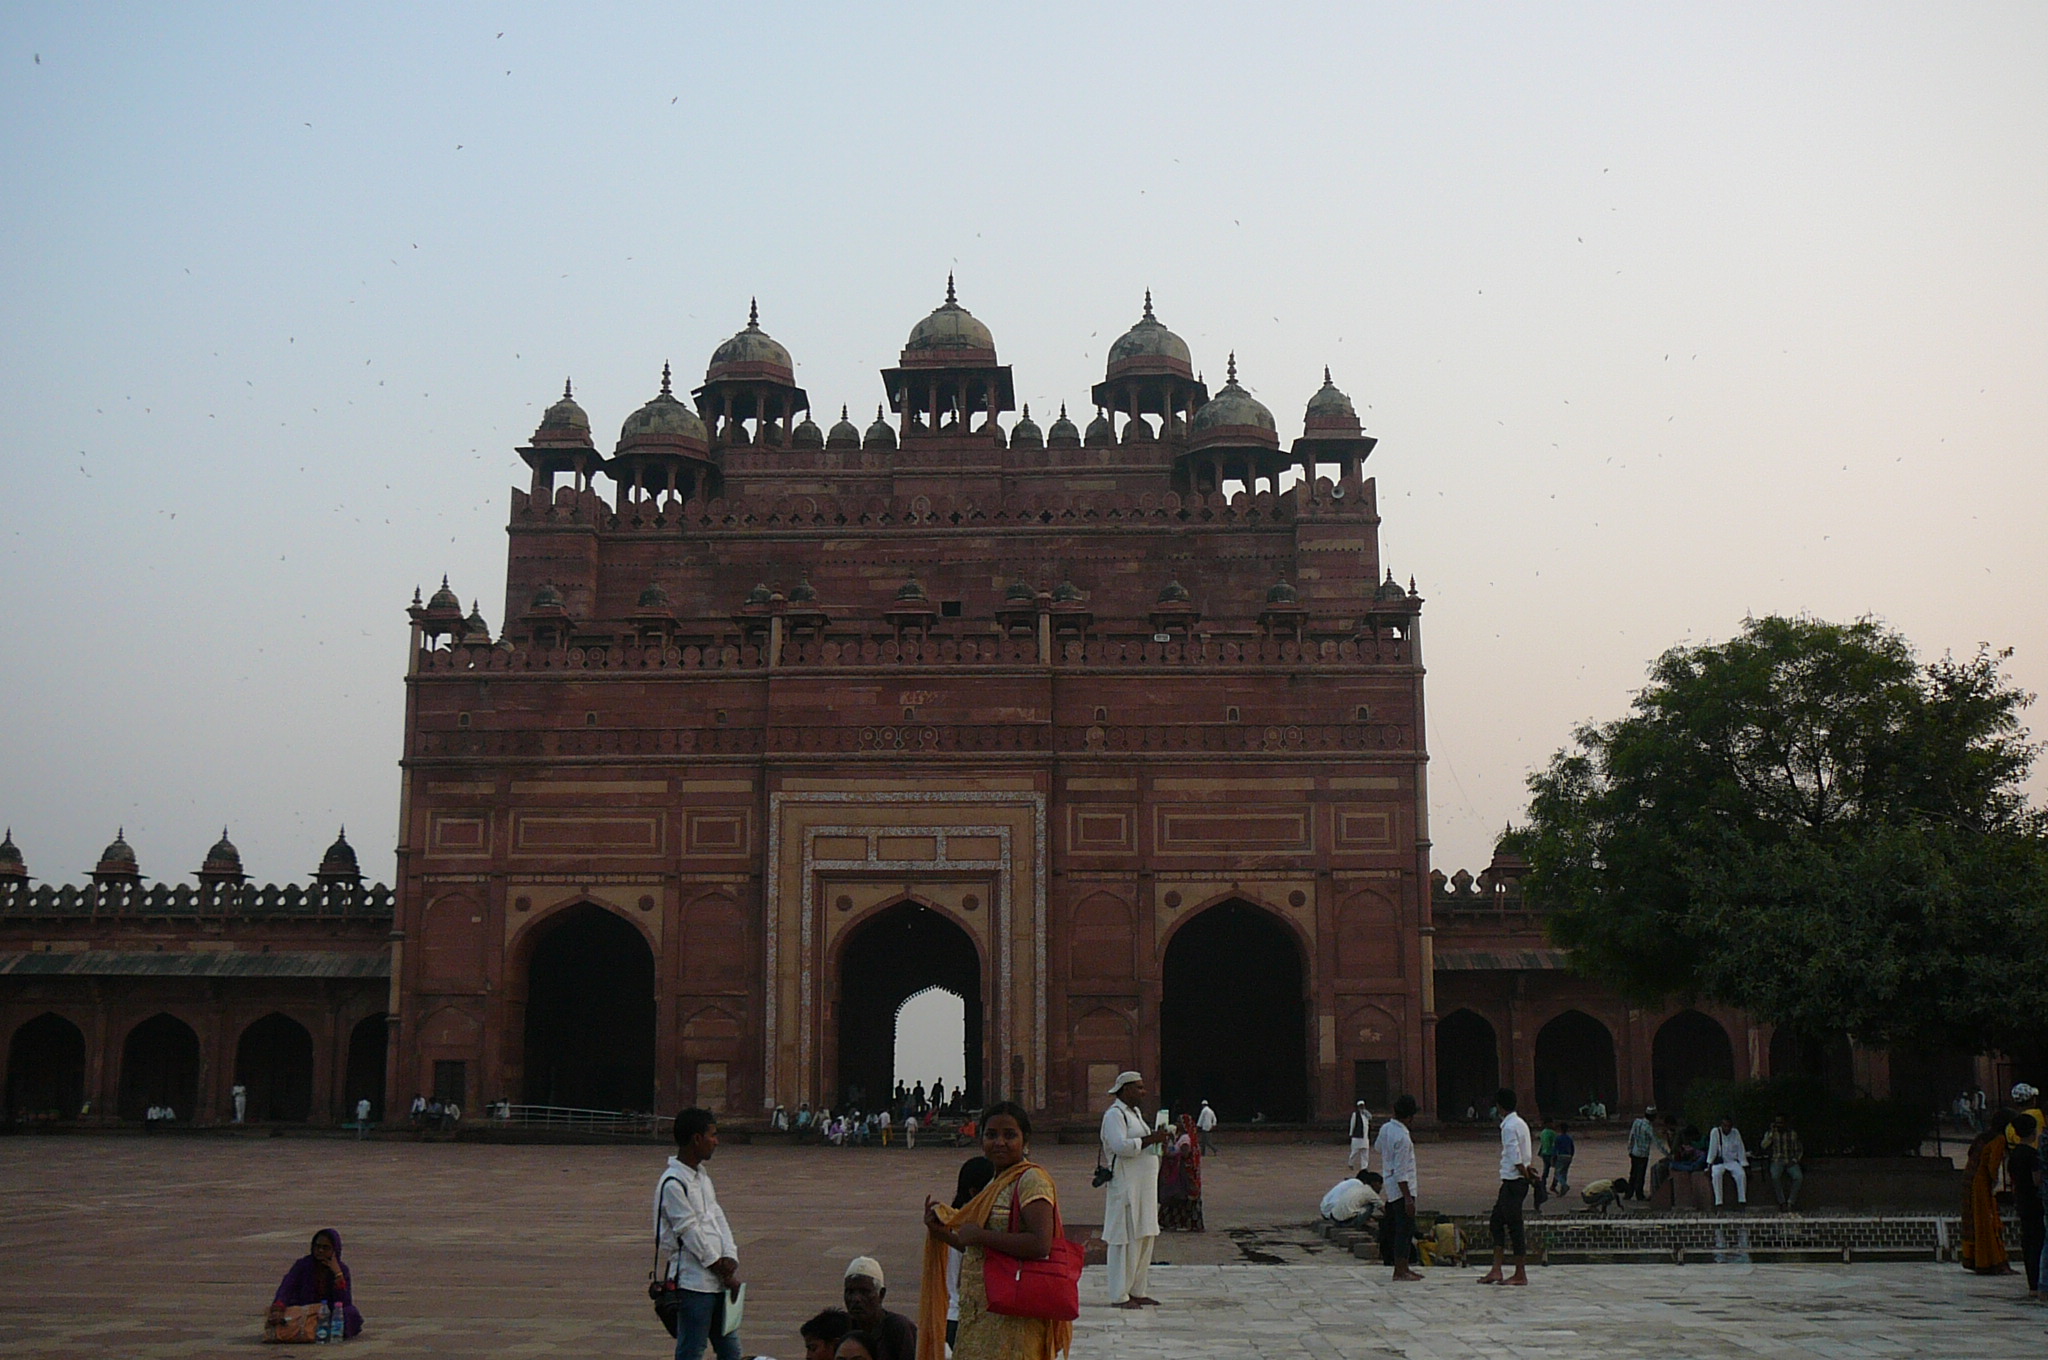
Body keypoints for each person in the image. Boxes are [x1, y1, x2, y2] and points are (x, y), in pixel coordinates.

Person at [918, 1101, 1070, 1360]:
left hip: (1014, 1315)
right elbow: (981, 1251)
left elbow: (1040, 1244)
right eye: (991, 1135)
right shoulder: (993, 1182)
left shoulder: (1032, 1180)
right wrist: (943, 1234)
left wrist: (980, 1234)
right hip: (982, 1312)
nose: (999, 1142)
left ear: (1025, 1140)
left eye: (1009, 1135)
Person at [655, 1107, 743, 1360]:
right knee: (692, 1349)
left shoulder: (701, 1178)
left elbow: (718, 1219)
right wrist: (720, 1267)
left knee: (730, 1349)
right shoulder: (673, 1183)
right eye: (712, 1135)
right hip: (692, 1282)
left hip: (716, 1281)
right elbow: (689, 1232)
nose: (716, 1141)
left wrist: (730, 1255)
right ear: (696, 1139)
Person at [1097, 1071, 1170, 1307]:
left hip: (1145, 1188)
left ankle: (1137, 1290)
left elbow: (1143, 1145)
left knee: (1145, 1235)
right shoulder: (1114, 1115)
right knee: (1124, 1238)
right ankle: (1119, 1295)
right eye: (1138, 1088)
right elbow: (1120, 1146)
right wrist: (1150, 1139)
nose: (1143, 1092)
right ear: (1125, 1090)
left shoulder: (1135, 1114)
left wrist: (1160, 1140)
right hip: (1126, 1186)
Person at [1477, 1087, 1536, 1286]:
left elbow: (1515, 1155)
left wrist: (1525, 1174)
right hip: (1515, 1180)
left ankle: (1520, 1273)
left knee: (1514, 1226)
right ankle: (1497, 1269)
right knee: (1496, 1221)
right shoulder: (1520, 1123)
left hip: (1514, 1180)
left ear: (1500, 1106)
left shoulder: (1509, 1126)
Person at [268, 1227, 363, 1339]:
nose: (320, 1251)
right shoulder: (303, 1265)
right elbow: (287, 1287)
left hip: (327, 1312)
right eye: (317, 1246)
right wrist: (278, 1308)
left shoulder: (342, 1269)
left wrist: (338, 1276)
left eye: (326, 1248)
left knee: (350, 1313)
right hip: (305, 1311)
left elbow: (344, 1302)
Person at [943, 1155, 996, 1348]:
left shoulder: (959, 1220)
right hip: (964, 1316)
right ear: (975, 1192)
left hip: (957, 1315)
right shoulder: (968, 1225)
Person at [1372, 1094, 1423, 1282]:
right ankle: (1400, 1270)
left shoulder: (1386, 1128)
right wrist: (1408, 1199)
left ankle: (1403, 1267)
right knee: (1405, 1230)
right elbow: (1402, 1173)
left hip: (1390, 1184)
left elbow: (1377, 1147)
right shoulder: (1403, 1138)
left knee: (1398, 1228)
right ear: (1409, 1117)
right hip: (1403, 1189)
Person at [1961, 1111, 2015, 1274]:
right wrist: (1994, 1185)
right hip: (1982, 1184)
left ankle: (1974, 1258)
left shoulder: (1982, 1137)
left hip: (1969, 1180)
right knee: (1986, 1222)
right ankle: (1990, 1262)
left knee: (1974, 1221)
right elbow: (1993, 1167)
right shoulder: (1998, 1140)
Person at [842, 1256, 916, 1360]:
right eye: (850, 1292)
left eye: (864, 1292)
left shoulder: (897, 1328)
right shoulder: (843, 1326)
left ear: (881, 1294)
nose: (856, 1299)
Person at [2009, 1114, 2044, 1295]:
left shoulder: (2014, 1154)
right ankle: (2039, 1280)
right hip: (2035, 1202)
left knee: (2028, 1241)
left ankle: (2032, 1282)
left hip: (2021, 1200)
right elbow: (2037, 1180)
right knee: (2038, 1242)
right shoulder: (2032, 1155)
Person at [1158, 1114, 1204, 1232]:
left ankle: (1180, 1223)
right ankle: (1175, 1222)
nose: (1176, 1124)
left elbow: (1185, 1152)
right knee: (1178, 1198)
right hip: (1181, 1174)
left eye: (1179, 1122)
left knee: (1178, 1197)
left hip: (1183, 1175)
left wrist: (1172, 1155)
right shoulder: (1182, 1137)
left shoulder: (1185, 1139)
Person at [1760, 1114, 1804, 1211]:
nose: (1779, 1125)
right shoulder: (1771, 1133)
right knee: (1775, 1176)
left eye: (1781, 1123)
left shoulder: (1792, 1134)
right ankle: (1782, 1202)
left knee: (1798, 1177)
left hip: (1790, 1160)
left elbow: (1799, 1150)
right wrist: (1771, 1133)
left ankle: (1791, 1202)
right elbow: (1763, 1145)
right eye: (1777, 1123)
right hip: (1777, 1160)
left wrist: (1795, 1160)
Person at [1319, 1169, 1384, 1230]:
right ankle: (1357, 1225)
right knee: (1370, 1206)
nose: (1381, 1187)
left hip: (1334, 1218)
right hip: (1344, 1222)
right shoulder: (1370, 1192)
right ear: (1375, 1183)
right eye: (1380, 1184)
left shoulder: (1355, 1187)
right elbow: (1383, 1208)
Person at [1707, 1116, 1748, 1209]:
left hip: (1732, 1161)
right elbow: (1712, 1149)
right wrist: (1709, 1163)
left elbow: (1740, 1149)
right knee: (1716, 1174)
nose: (1727, 1128)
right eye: (1725, 1126)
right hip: (1719, 1162)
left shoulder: (1735, 1133)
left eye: (1728, 1126)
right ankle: (1719, 1202)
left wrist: (1744, 1164)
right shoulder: (1715, 1132)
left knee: (1741, 1174)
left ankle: (1742, 1201)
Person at [1625, 1107, 1655, 1200]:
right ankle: (1639, 1194)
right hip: (1643, 1154)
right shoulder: (1648, 1127)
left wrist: (1629, 1149)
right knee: (1640, 1175)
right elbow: (1657, 1142)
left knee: (1633, 1174)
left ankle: (1628, 1194)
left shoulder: (1637, 1122)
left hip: (1634, 1152)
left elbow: (1631, 1136)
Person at [1346, 1101, 1372, 1171]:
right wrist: (1351, 1134)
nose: (1362, 1107)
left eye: (1363, 1106)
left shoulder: (1366, 1115)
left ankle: (1364, 1167)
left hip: (1365, 1137)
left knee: (1365, 1153)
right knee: (1355, 1152)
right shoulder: (1355, 1115)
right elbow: (1352, 1125)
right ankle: (1350, 1163)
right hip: (1357, 1137)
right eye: (1360, 1106)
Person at [1551, 1122, 1576, 1194]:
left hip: (1561, 1156)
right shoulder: (1569, 1138)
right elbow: (1572, 1148)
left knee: (1557, 1173)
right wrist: (1571, 1156)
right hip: (1568, 1156)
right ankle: (1562, 1191)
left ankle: (1564, 1185)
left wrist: (1553, 1158)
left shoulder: (1558, 1138)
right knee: (1564, 1173)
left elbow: (1555, 1149)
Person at [1536, 1118, 1558, 1191]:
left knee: (1546, 1170)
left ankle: (1543, 1186)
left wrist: (1540, 1152)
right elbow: (1554, 1144)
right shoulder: (1552, 1133)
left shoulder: (1543, 1132)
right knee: (1558, 1170)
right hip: (1551, 1153)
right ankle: (1553, 1185)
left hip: (1544, 1153)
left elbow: (1542, 1143)